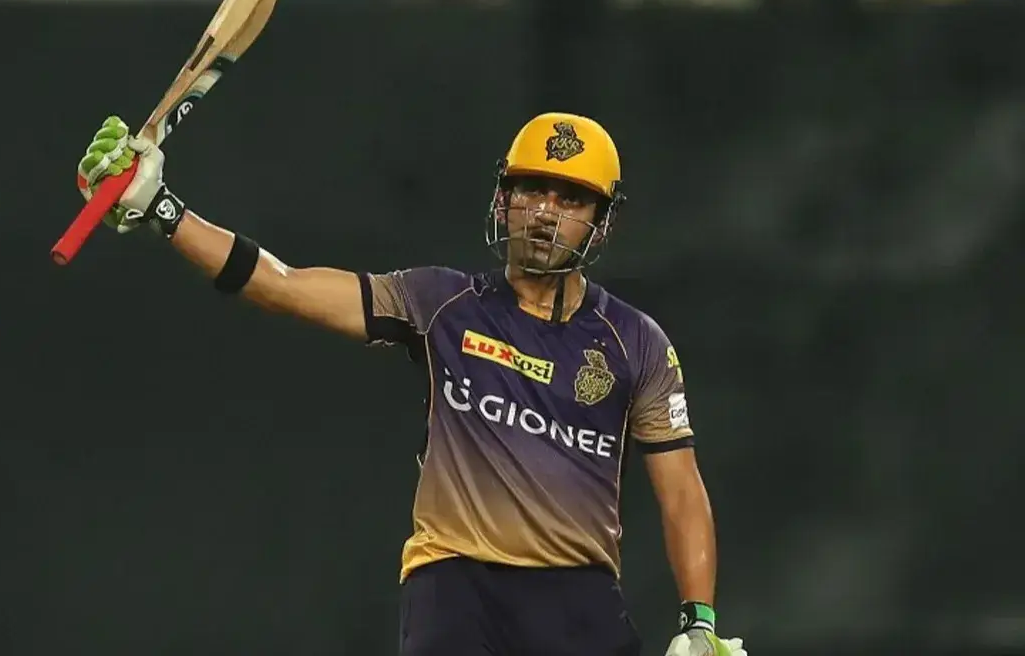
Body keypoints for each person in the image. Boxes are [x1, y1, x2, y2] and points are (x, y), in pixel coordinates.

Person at [74, 112, 749, 656]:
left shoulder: (636, 342)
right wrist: (165, 210)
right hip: (454, 585)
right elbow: (284, 286)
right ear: (502, 198)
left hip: (577, 598)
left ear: (602, 220)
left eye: (571, 198)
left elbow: (681, 491)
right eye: (531, 189)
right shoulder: (439, 304)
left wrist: (700, 622)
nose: (546, 211)